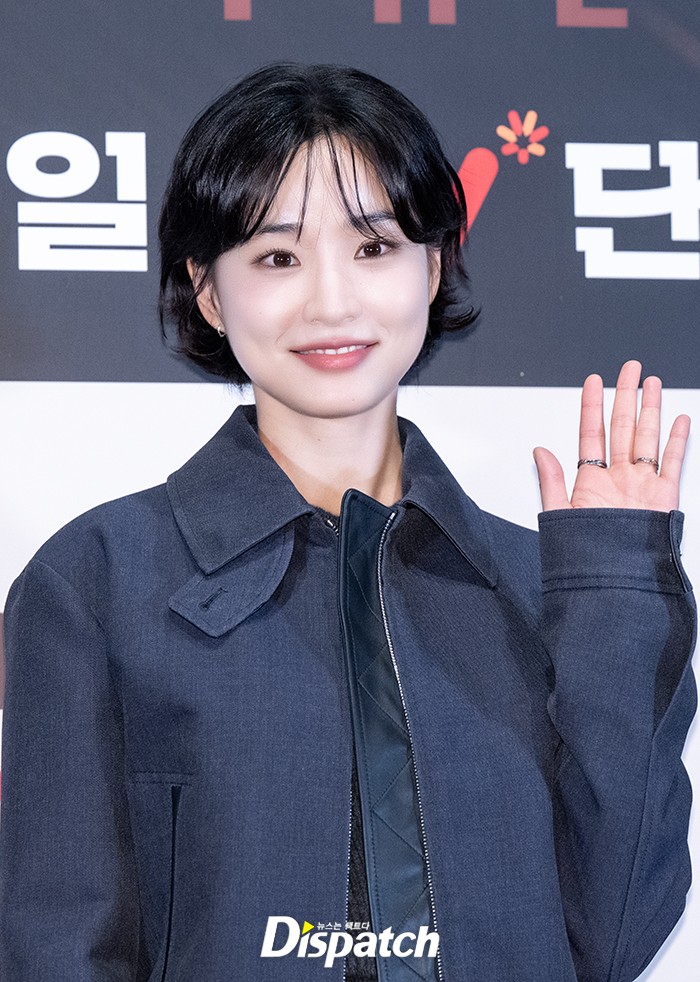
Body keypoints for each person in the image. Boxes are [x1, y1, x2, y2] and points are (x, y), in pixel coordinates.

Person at [0, 62, 695, 982]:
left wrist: (613, 588)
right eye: (277, 257)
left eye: (373, 247)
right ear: (208, 292)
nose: (332, 301)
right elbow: (54, 946)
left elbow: (615, 935)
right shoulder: (96, 581)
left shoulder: (544, 587)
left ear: (432, 265)